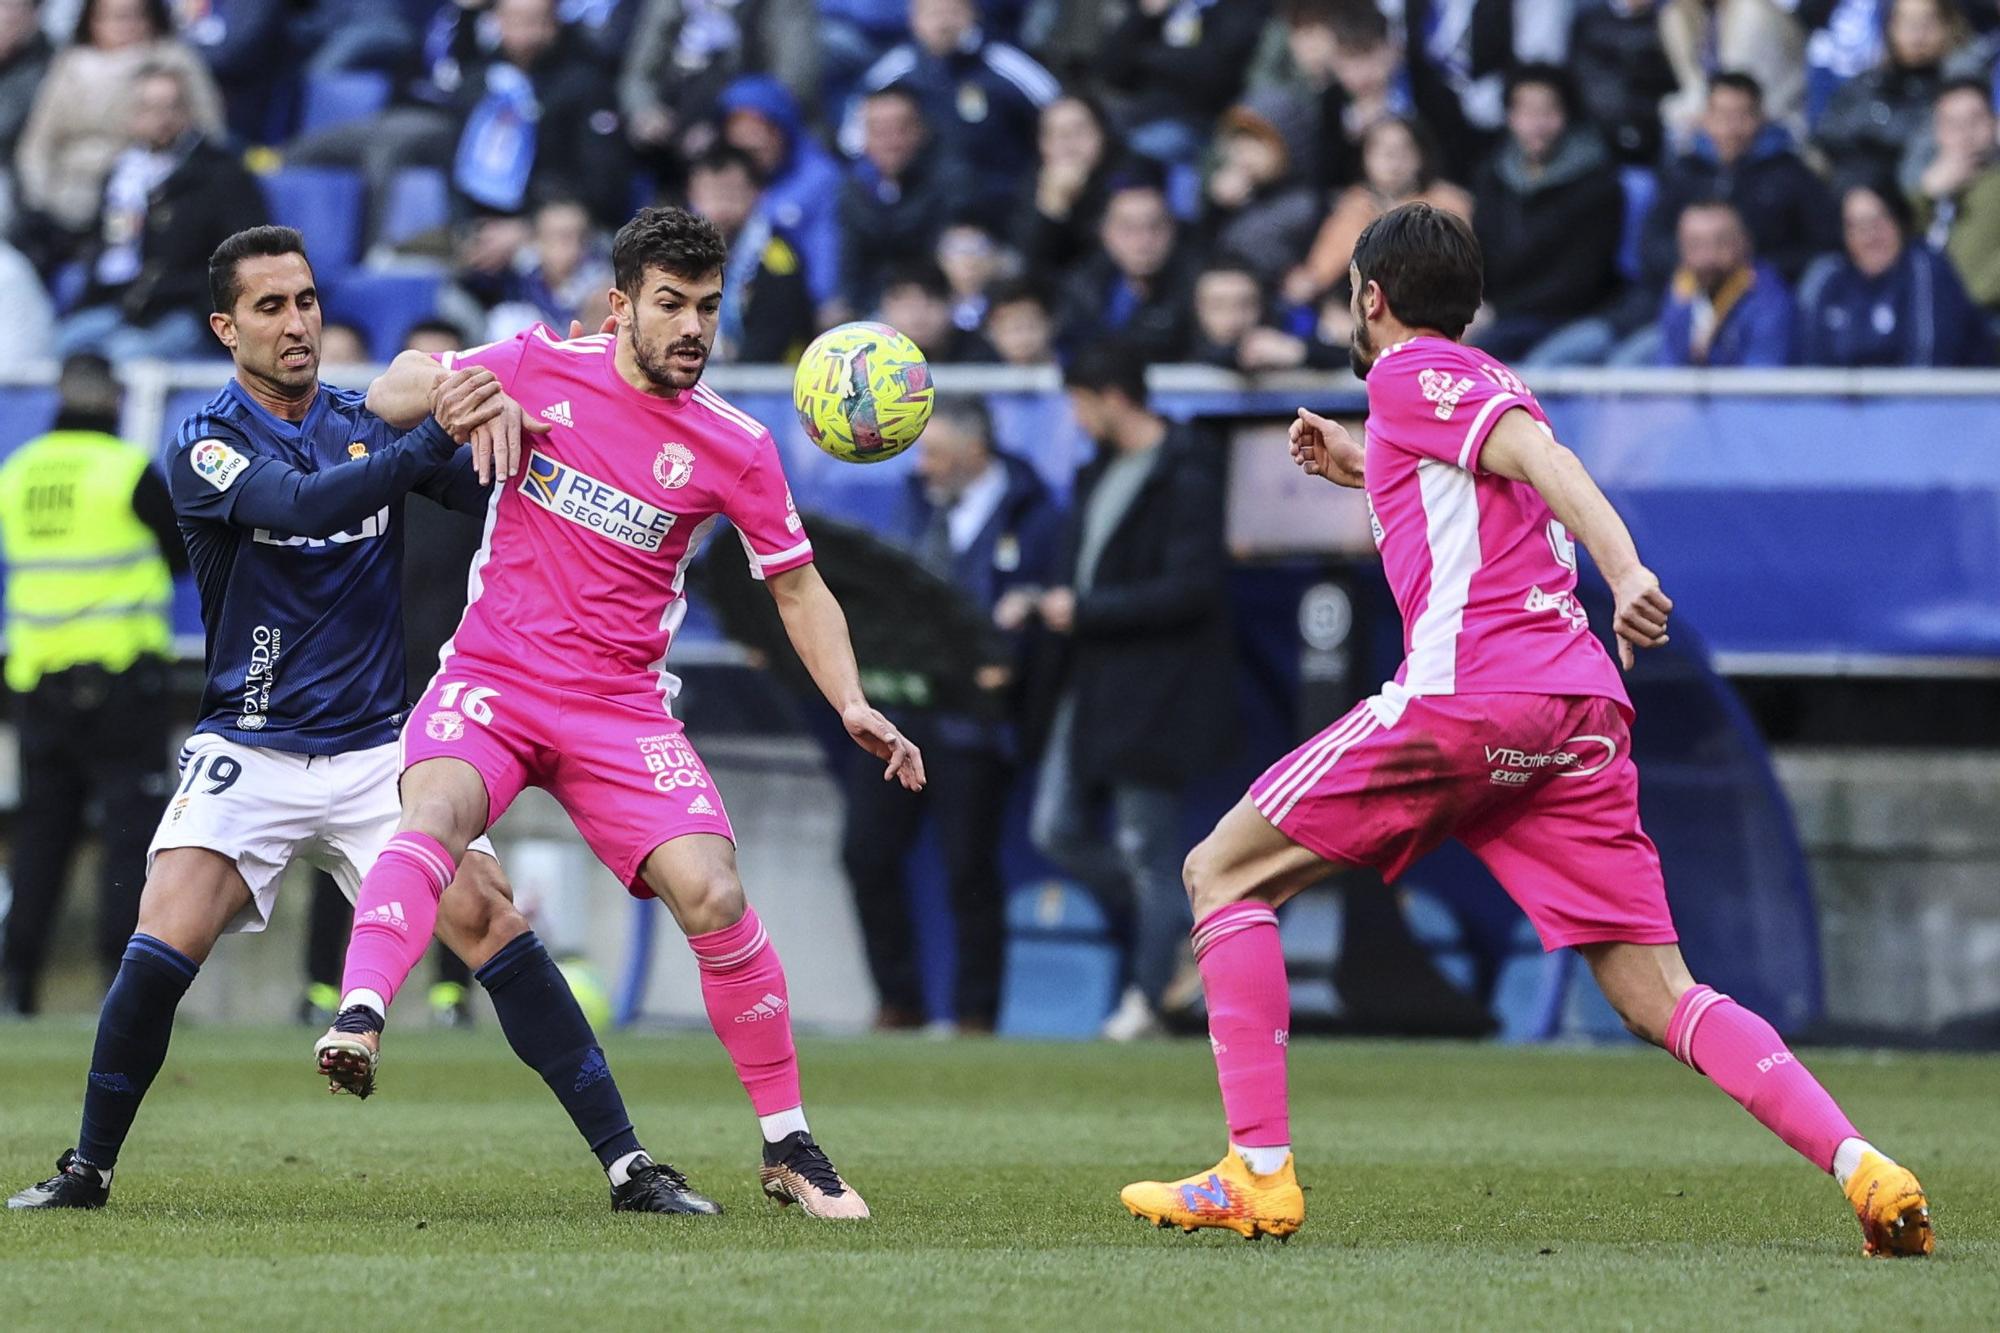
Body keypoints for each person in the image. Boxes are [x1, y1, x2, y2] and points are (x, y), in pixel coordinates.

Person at [1117, 202, 1934, 1262]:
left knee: (1220, 873)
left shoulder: (1408, 371)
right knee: (1659, 993)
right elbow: (1480, 486)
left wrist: (1627, 567)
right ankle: (1864, 1168)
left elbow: (1541, 460)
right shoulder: (1457, 389)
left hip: (1471, 696)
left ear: (1370, 296)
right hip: (1574, 717)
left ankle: (1254, 1176)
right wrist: (1355, 460)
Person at [7, 226, 711, 1216]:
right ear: (224, 327)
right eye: (268, 306)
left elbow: (495, 491)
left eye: (304, 300)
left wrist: (535, 423)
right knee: (161, 934)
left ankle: (630, 1166)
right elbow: (298, 506)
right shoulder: (204, 441)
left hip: (382, 743)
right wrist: (428, 429)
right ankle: (87, 1168)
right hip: (247, 742)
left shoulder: (363, 416)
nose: (295, 323)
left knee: (490, 921)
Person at [316, 205, 925, 1219]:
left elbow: (796, 586)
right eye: (671, 305)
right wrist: (449, 385)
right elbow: (388, 390)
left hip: (618, 709)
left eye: (709, 309)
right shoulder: (539, 363)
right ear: (619, 307)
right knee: (435, 812)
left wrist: (851, 699)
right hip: (495, 678)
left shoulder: (735, 444)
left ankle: (788, 1146)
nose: (692, 327)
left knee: (716, 896)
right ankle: (361, 1015)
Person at [1026, 343, 1233, 1042]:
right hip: (1090, 685)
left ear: (1112, 396)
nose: (1077, 420)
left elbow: (1192, 589)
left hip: (1158, 693)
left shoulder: (1188, 472)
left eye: (1081, 403)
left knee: (1149, 847)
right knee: (1055, 828)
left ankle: (1149, 999)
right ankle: (1181, 933)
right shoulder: (1099, 473)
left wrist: (1087, 610)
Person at [840, 398, 1061, 1031]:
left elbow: (1048, 613)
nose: (924, 464)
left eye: (935, 451)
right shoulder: (915, 503)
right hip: (899, 713)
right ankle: (898, 999)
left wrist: (1009, 665)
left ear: (974, 449)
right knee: (866, 853)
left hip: (974, 725)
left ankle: (975, 1014)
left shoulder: (1034, 515)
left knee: (969, 866)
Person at [0, 353, 181, 1017]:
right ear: (113, 400)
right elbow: (181, 556)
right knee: (132, 834)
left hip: (36, 682)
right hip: (120, 682)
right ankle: (122, 981)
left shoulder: (16, 475)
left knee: (42, 837)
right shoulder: (127, 471)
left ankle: (19, 984)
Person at [12, 0, 223, 255]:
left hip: (144, 196)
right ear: (91, 20)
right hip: (62, 200)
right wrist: (42, 199)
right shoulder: (69, 64)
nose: (125, 26)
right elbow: (38, 144)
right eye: (113, 17)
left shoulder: (174, 63)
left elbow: (208, 133)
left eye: (135, 16)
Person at [1470, 63, 1625, 364]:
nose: (1536, 124)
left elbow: (1580, 280)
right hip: (1498, 314)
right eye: (1525, 112)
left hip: (1570, 318)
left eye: (1547, 112)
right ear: (1510, 117)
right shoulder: (1492, 175)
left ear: (1566, 114)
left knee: (1478, 361)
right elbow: (1478, 253)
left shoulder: (1597, 184)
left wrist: (1498, 310)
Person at [1640, 73, 1839, 292]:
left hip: (1765, 298)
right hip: (1685, 297)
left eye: (1742, 116)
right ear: (1706, 118)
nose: (1731, 129)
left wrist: (1751, 270)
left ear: (1761, 118)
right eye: (1722, 115)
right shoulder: (1684, 171)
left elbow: (1825, 246)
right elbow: (1652, 242)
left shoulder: (1791, 173)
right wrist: (1700, 263)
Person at [853, 0, 1056, 210]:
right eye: (933, 13)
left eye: (951, 12)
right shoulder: (891, 73)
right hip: (917, 217)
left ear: (972, 14)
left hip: (1004, 209)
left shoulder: (1006, 66)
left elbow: (1062, 115)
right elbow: (852, 141)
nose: (943, 23)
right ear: (914, 19)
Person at [1797, 178, 1993, 366]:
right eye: (1856, 226)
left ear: (1899, 221)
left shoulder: (1926, 270)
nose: (1870, 237)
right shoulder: (1828, 277)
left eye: (1878, 221)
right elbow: (1812, 366)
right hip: (1852, 400)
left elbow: (1929, 364)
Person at [1284, 115, 1474, 308]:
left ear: (1421, 156)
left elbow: (1456, 273)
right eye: (1381, 150)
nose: (1392, 159)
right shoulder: (1355, 203)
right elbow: (1318, 274)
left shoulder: (1448, 202)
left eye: (1403, 149)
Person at [837, 85, 969, 314]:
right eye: (879, 131)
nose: (891, 142)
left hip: (938, 307)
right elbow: (849, 271)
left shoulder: (952, 182)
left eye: (900, 129)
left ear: (921, 130)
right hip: (875, 311)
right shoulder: (852, 190)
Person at [1814, 0, 1974, 186]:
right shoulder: (1866, 84)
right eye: (1907, 22)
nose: (1917, 34)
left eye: (1928, 22)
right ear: (1889, 27)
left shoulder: (1965, 86)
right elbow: (1827, 134)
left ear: (1949, 26)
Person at [685, 145, 815, 363]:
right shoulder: (677, 257)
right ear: (692, 196)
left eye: (730, 193)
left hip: (770, 389)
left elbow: (770, 345)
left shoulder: (778, 259)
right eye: (710, 194)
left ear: (756, 193)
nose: (719, 206)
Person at [1055, 175, 1195, 364]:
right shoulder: (1081, 289)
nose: (1143, 241)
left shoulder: (1198, 286)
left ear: (1172, 229)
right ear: (1105, 232)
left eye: (1155, 226)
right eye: (1128, 228)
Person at [1655, 199, 1794, 366]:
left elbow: (1761, 384)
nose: (1707, 258)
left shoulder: (1768, 300)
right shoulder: (1680, 292)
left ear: (1744, 242)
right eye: (1694, 245)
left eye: (1721, 243)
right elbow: (1667, 371)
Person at [1912, 78, 2000, 312]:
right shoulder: (1927, 186)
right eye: (1953, 123)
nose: (1965, 133)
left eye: (1975, 120)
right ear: (1937, 131)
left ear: (1995, 123)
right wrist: (1926, 196)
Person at [877, 259, 995, 363]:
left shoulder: (978, 353)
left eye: (929, 303)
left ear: (950, 303)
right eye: (907, 305)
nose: (917, 316)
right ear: (886, 306)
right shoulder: (870, 353)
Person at [983, 278, 1057, 367]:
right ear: (992, 332)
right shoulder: (974, 370)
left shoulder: (1071, 369)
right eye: (1015, 328)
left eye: (1031, 327)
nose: (1024, 338)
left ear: (1048, 325)